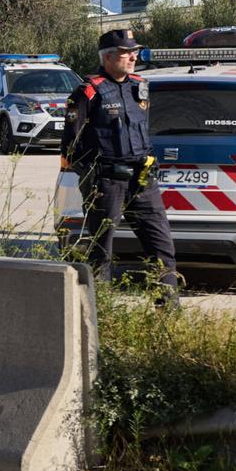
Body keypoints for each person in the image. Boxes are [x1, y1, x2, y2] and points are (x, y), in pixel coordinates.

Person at [61, 29, 178, 298]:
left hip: (142, 180)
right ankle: (98, 312)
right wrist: (91, 176)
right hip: (107, 182)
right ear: (110, 57)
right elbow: (70, 145)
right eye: (127, 53)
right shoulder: (88, 92)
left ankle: (168, 313)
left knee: (162, 248)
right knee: (101, 252)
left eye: (134, 52)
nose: (133, 57)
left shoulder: (140, 85)